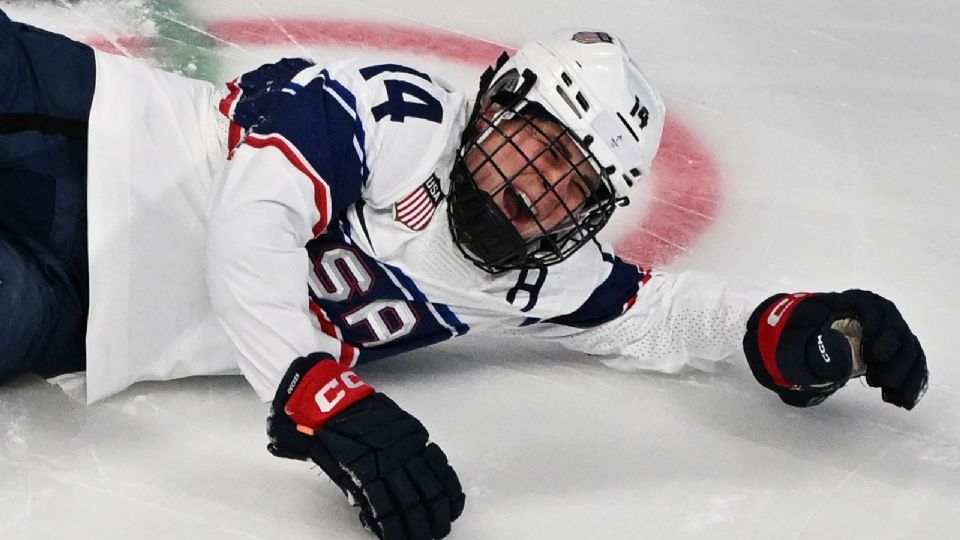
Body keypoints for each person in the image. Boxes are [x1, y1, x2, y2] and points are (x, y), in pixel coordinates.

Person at [0, 9, 928, 540]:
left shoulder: (543, 271)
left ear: (593, 212)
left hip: (78, 306)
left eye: (574, 180)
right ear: (494, 105)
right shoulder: (401, 120)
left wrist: (793, 326)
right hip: (95, 134)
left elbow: (660, 313)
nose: (539, 186)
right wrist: (315, 394)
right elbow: (254, 222)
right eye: (538, 144)